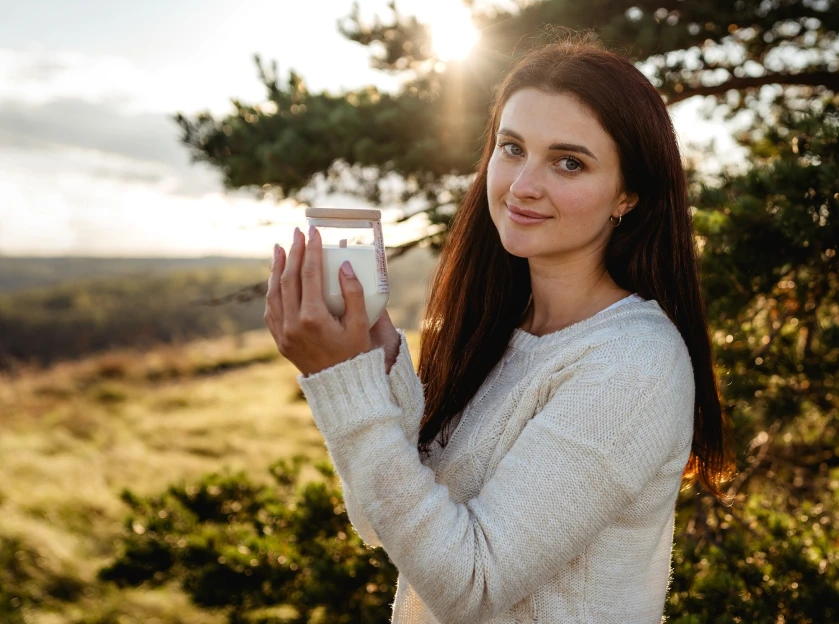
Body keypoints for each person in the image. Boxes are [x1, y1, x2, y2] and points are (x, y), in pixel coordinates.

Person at [265, 33, 734, 624]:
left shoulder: (632, 364)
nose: (522, 185)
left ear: (628, 195)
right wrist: (376, 372)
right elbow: (379, 524)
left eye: (569, 162)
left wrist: (338, 382)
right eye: (511, 148)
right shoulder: (494, 332)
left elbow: (475, 586)